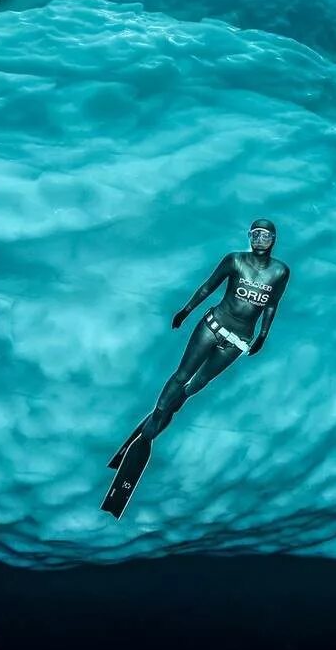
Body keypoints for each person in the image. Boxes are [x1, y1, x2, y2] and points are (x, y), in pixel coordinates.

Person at [101, 218, 290, 519]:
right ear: (249, 236)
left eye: (265, 235)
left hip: (238, 341)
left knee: (192, 388)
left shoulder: (280, 271)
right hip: (212, 325)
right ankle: (153, 425)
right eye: (255, 234)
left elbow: (271, 305)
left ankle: (160, 418)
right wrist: (186, 311)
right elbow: (208, 286)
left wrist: (263, 336)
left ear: (274, 239)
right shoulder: (235, 260)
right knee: (180, 377)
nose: (259, 239)